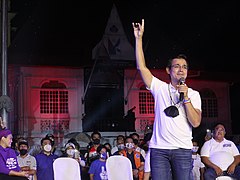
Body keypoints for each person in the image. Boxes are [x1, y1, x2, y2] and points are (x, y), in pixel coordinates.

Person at [132, 19, 202, 180]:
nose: (181, 70)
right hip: (159, 150)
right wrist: (138, 39)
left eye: (184, 67)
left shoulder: (194, 94)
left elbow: (196, 122)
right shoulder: (160, 88)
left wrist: (186, 99)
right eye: (177, 66)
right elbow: (141, 67)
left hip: (183, 150)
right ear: (168, 70)